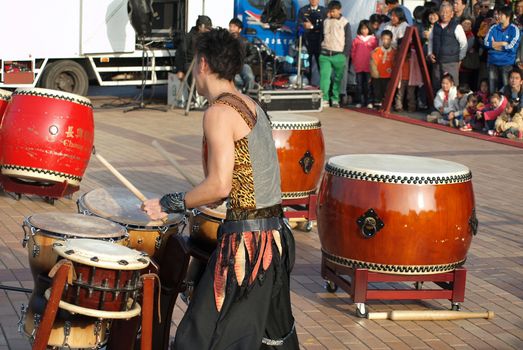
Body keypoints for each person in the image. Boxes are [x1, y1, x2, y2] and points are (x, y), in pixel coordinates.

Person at [143, 28, 299, 350]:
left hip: (247, 248)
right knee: (273, 341)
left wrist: (169, 202)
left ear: (202, 64)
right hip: (276, 239)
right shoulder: (252, 105)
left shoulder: (218, 112)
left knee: (201, 339)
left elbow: (218, 185)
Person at [427, 2, 468, 90]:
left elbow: (464, 44)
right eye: (442, 12)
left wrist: (459, 58)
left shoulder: (457, 27)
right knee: (437, 86)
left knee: (451, 88)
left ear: (452, 14)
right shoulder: (436, 26)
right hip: (437, 62)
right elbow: (430, 40)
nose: (444, 14)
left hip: (451, 63)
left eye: (447, 12)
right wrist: (430, 53)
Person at [319, 0, 351, 108]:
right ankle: (324, 99)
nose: (331, 13)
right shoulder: (325, 21)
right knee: (325, 78)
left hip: (339, 55)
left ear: (339, 10)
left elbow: (348, 40)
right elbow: (321, 36)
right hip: (325, 54)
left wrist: (344, 54)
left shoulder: (345, 22)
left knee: (338, 78)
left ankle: (335, 98)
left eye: (333, 11)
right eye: (330, 11)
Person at [484, 6, 521, 95]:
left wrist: (495, 45)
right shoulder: (493, 28)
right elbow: (486, 43)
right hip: (493, 62)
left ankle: (507, 107)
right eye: (498, 14)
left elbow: (513, 47)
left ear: (508, 17)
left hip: (506, 64)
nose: (498, 16)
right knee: (493, 91)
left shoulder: (514, 29)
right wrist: (503, 43)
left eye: (501, 14)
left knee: (507, 90)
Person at [297, 0, 327, 86]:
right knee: (306, 66)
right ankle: (307, 85)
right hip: (307, 41)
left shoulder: (324, 11)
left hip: (319, 42)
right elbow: (299, 25)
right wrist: (303, 26)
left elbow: (325, 26)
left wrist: (313, 27)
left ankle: (323, 88)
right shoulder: (303, 10)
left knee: (321, 66)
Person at [174, 15, 213, 81]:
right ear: (200, 27)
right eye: (207, 28)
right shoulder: (188, 37)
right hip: (191, 65)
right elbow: (179, 54)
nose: (208, 30)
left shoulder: (208, 38)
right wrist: (180, 70)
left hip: (204, 65)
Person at [351, 20, 378, 108]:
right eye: (362, 29)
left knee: (368, 85)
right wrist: (355, 61)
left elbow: (376, 52)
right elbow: (353, 52)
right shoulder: (356, 40)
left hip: (369, 66)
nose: (364, 31)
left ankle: (369, 101)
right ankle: (359, 101)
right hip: (359, 66)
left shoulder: (373, 40)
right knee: (359, 85)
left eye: (366, 29)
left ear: (369, 29)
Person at [228, 18, 257, 92]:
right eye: (230, 26)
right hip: (230, 65)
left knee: (249, 77)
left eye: (234, 27)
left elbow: (253, 53)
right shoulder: (225, 41)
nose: (231, 29)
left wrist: (245, 60)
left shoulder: (245, 41)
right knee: (237, 80)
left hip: (243, 64)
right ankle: (239, 94)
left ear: (239, 29)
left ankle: (249, 95)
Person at [370, 30, 396, 109]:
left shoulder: (394, 51)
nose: (386, 41)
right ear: (381, 39)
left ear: (391, 40)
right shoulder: (377, 50)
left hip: (388, 75)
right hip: (378, 75)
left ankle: (387, 104)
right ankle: (377, 103)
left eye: (388, 39)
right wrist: (374, 72)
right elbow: (373, 61)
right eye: (384, 39)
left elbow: (394, 63)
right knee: (377, 90)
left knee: (387, 91)